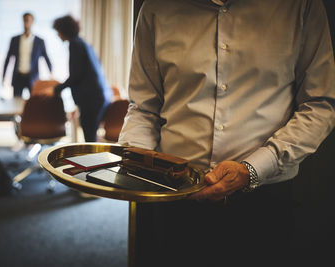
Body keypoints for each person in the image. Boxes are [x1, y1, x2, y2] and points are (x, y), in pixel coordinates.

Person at [118, 0, 335, 266]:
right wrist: (136, 160)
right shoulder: (157, 8)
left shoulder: (302, 5)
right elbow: (143, 106)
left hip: (263, 205)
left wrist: (253, 168)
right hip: (173, 198)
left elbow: (321, 104)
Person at [53, 15, 112, 142]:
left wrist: (58, 88)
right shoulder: (82, 43)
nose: (57, 35)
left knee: (90, 139)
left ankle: (93, 161)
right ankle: (94, 160)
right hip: (99, 96)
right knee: (91, 137)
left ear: (64, 30)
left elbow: (76, 75)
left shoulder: (75, 44)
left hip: (91, 99)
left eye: (58, 31)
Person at [2, 12, 52, 97]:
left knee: (34, 103)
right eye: (25, 20)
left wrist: (51, 74)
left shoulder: (39, 41)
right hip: (18, 77)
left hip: (33, 77)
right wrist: (4, 76)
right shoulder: (15, 40)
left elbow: (46, 58)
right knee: (16, 102)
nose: (26, 23)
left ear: (32, 22)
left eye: (28, 20)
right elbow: (8, 58)